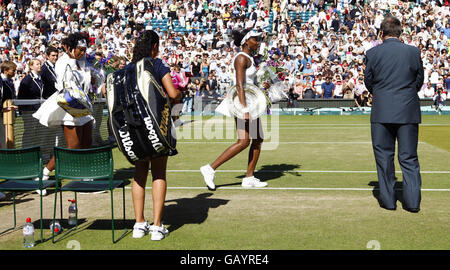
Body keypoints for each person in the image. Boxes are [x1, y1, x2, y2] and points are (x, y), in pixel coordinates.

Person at [364, 15, 424, 213]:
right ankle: (413, 203)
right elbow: (419, 81)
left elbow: (368, 82)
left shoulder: (373, 53)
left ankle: (389, 202)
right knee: (409, 158)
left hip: (382, 111)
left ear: (382, 33)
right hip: (407, 110)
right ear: (400, 33)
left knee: (384, 158)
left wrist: (382, 95)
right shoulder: (413, 52)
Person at [129, 30, 181, 241]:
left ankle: (139, 224)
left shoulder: (129, 68)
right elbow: (172, 93)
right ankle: (157, 227)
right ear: (154, 47)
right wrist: (180, 94)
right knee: (159, 174)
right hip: (157, 126)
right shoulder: (157, 65)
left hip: (135, 128)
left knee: (139, 173)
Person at [200, 29, 267, 190]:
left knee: (257, 139)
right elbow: (239, 85)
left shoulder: (249, 58)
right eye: (254, 39)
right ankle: (210, 168)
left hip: (250, 102)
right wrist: (244, 108)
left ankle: (249, 177)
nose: (257, 42)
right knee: (244, 141)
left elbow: (249, 82)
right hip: (242, 103)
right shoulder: (241, 58)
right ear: (246, 41)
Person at [33, 32, 99, 195]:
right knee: (72, 148)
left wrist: (93, 79)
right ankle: (43, 175)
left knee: (86, 143)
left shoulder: (83, 62)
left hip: (84, 106)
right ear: (70, 48)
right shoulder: (63, 61)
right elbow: (63, 82)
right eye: (79, 50)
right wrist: (70, 58)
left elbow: (88, 82)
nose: (82, 53)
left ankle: (85, 176)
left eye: (84, 50)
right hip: (69, 107)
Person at [17, 59, 43, 149]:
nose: (39, 65)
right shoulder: (27, 80)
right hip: (29, 110)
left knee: (37, 132)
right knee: (29, 132)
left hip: (38, 109)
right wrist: (22, 110)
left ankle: (35, 150)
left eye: (40, 64)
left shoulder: (40, 78)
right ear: (31, 66)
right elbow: (21, 96)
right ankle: (26, 150)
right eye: (37, 64)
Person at [1, 61, 18, 149]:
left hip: (8, 114)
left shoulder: (10, 81)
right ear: (5, 70)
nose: (14, 73)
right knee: (3, 138)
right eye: (13, 70)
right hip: (2, 113)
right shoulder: (1, 81)